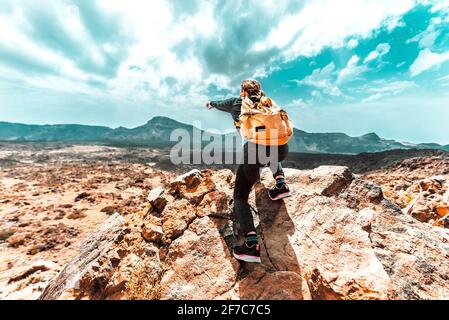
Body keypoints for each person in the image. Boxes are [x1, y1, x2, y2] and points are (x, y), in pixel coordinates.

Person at [206, 79, 291, 263]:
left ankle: (251, 245)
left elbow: (220, 103)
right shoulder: (268, 104)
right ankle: (281, 183)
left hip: (253, 153)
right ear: (259, 91)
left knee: (240, 196)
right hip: (282, 150)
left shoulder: (236, 102)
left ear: (242, 92)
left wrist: (211, 104)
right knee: (271, 149)